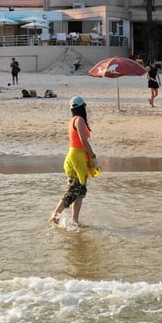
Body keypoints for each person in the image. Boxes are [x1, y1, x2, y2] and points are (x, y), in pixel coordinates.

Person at [48, 96, 100, 226]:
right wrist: (93, 156)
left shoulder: (73, 120)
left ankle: (74, 221)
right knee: (74, 190)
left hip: (77, 156)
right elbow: (84, 142)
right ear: (82, 107)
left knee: (80, 191)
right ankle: (55, 215)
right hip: (77, 157)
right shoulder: (79, 120)